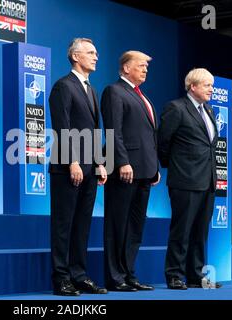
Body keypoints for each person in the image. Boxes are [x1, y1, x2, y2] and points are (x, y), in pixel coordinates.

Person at [48, 38, 107, 296]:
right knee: (64, 224)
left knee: (83, 224)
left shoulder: (91, 90)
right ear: (75, 56)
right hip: (67, 168)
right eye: (90, 53)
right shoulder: (63, 86)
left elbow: (95, 131)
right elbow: (62, 126)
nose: (96, 57)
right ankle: (61, 278)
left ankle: (79, 275)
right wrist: (72, 161)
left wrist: (100, 163)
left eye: (96, 53)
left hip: (90, 169)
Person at [100, 51, 160, 291]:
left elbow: (149, 137)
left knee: (135, 227)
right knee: (117, 225)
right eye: (141, 65)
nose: (145, 69)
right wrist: (123, 161)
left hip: (145, 171)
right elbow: (113, 130)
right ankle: (115, 278)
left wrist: (154, 167)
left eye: (147, 66)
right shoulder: (114, 91)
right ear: (126, 68)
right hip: (124, 169)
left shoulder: (142, 96)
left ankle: (129, 274)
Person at [158, 68, 222, 290]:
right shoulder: (176, 108)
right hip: (185, 180)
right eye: (207, 85)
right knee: (181, 230)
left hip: (208, 181)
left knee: (200, 231)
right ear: (192, 86)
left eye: (212, 86)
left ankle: (196, 276)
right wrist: (177, 168)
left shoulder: (210, 111)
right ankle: (174, 275)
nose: (211, 90)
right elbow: (163, 143)